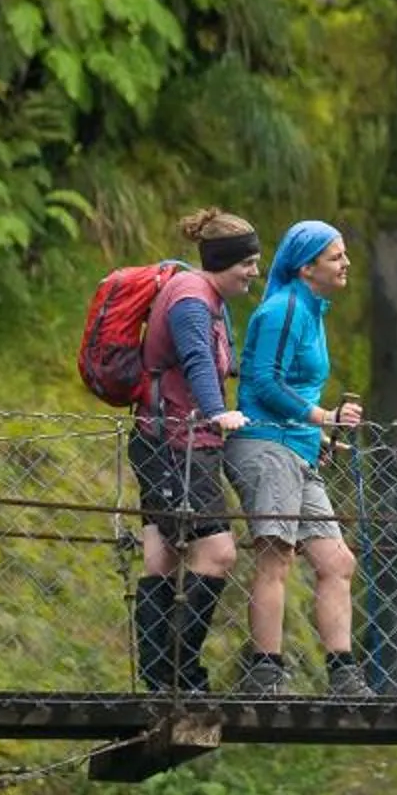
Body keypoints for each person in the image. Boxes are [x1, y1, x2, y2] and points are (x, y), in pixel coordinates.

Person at [232, 219, 370, 699]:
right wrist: (322, 416)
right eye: (336, 257)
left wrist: (322, 436)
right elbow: (265, 383)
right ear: (306, 267)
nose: (346, 263)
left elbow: (290, 382)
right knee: (277, 557)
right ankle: (265, 670)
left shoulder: (312, 311)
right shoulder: (283, 310)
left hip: (299, 449)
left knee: (337, 561)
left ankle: (343, 673)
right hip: (268, 446)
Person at [129, 209, 258, 693]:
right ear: (223, 260)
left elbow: (220, 364)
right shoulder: (189, 299)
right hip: (174, 445)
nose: (253, 272)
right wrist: (214, 411)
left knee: (162, 555)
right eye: (247, 262)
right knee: (218, 552)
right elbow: (197, 360)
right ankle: (180, 672)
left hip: (167, 440)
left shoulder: (210, 300)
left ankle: (161, 677)